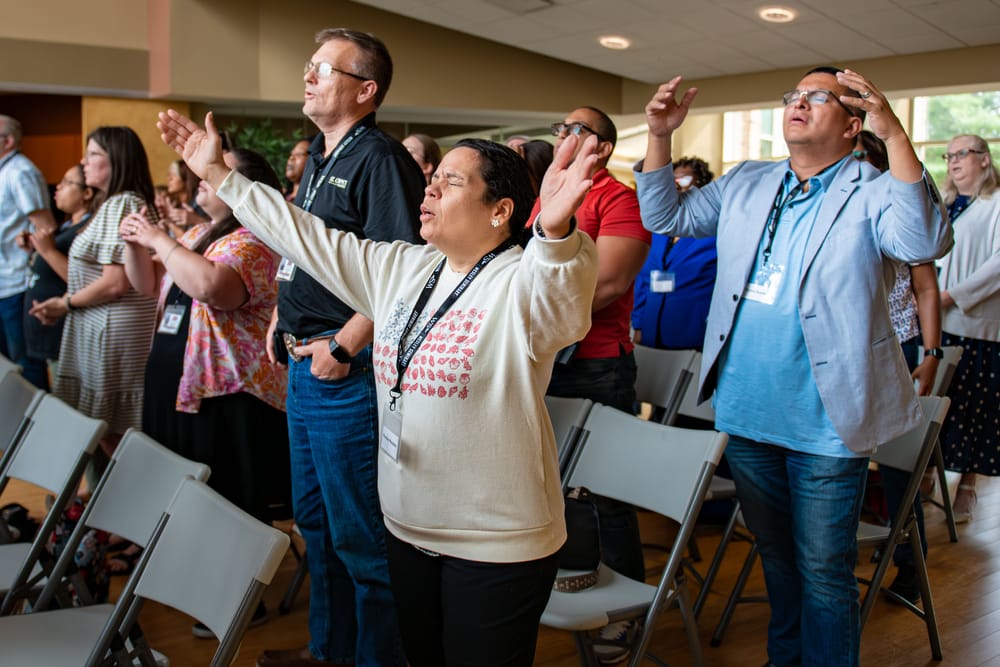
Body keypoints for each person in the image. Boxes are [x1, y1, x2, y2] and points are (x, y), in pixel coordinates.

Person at [158, 107, 598, 667]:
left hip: (495, 542)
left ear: (501, 211)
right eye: (432, 179)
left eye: (450, 181)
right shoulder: (405, 267)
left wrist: (555, 233)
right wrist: (221, 176)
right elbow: (304, 236)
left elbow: (562, 303)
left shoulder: (520, 280)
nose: (430, 188)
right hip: (408, 524)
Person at [635, 68, 951, 667]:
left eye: (817, 96)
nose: (798, 103)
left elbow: (924, 239)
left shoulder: (873, 188)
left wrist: (897, 133)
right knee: (777, 561)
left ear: (854, 124)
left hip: (826, 421)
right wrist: (658, 137)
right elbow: (665, 219)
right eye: (793, 96)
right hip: (747, 409)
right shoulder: (748, 182)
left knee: (825, 573)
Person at [252, 28, 426, 667]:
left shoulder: (379, 159)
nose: (309, 75)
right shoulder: (325, 155)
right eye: (311, 64)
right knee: (317, 525)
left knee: (359, 538)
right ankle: (330, 651)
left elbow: (401, 269)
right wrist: (280, 312)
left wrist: (347, 347)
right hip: (304, 366)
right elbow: (310, 254)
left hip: (342, 372)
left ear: (366, 89)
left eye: (324, 68)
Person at [119, 147, 291, 632]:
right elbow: (149, 282)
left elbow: (214, 287)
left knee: (229, 494)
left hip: (231, 392)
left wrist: (158, 237)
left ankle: (239, 600)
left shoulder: (256, 240)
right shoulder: (198, 232)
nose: (200, 178)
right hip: (181, 384)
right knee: (188, 489)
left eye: (215, 173)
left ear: (245, 190)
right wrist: (137, 243)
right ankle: (194, 581)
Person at [533, 106, 650, 664]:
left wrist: (537, 318)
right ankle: (564, 580)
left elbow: (609, 282)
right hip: (547, 357)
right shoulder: (547, 195)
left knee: (608, 495)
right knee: (547, 483)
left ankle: (628, 617)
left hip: (597, 362)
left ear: (600, 148)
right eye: (561, 126)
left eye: (576, 128)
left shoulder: (619, 199)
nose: (563, 134)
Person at [29, 126, 160, 489]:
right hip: (102, 328)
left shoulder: (124, 203)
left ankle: (144, 517)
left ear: (115, 160)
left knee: (114, 431)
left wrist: (65, 303)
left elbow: (115, 282)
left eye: (93, 155)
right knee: (107, 430)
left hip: (112, 331)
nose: (84, 163)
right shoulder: (112, 203)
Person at [853, 129, 941, 603]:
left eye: (862, 158)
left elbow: (926, 289)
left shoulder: (900, 211)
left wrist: (930, 355)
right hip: (846, 349)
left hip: (898, 348)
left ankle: (911, 563)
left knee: (898, 471)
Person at [935, 134, 1000, 523]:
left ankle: (968, 488)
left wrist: (952, 295)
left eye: (963, 153)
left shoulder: (996, 205)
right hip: (935, 321)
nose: (954, 161)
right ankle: (927, 479)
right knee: (939, 406)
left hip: (974, 324)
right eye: (949, 155)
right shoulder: (944, 205)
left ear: (984, 160)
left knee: (973, 408)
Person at [21, 164, 97, 389]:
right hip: (44, 333)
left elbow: (81, 279)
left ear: (87, 193)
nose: (58, 187)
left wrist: (47, 251)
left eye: (67, 182)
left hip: (61, 333)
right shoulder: (67, 225)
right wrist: (35, 249)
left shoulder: (86, 229)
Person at [632, 156, 716, 351]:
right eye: (672, 181)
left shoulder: (713, 234)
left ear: (701, 186)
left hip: (693, 334)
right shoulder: (658, 231)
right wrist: (638, 323)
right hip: (652, 328)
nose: (676, 186)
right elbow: (644, 279)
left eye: (684, 180)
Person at [0, 114, 57, 374]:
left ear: (8, 141)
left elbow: (45, 226)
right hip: (3, 280)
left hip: (17, 281)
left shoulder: (20, 171)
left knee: (24, 363)